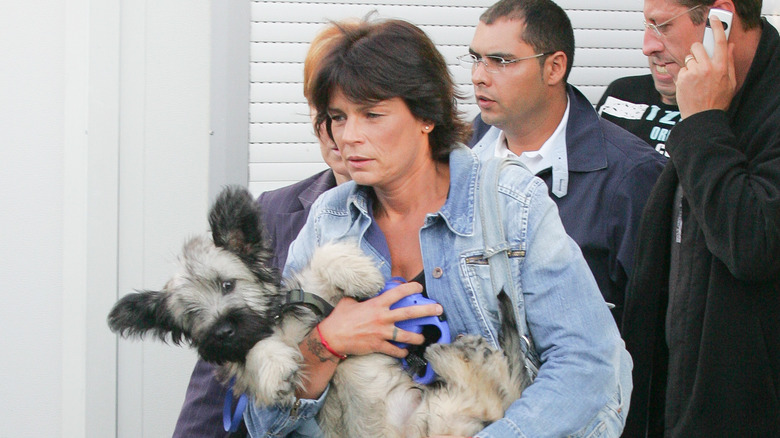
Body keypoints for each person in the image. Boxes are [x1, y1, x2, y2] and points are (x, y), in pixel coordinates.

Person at [244, 17, 632, 438]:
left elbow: (588, 363)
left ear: (426, 115)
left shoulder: (509, 203)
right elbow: (265, 418)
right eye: (338, 117)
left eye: (372, 114)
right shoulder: (328, 220)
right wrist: (327, 342)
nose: (349, 136)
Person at [172, 22, 356, 438]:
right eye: (320, 110)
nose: (333, 131)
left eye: (347, 112)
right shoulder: (273, 211)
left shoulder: (418, 214)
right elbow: (217, 371)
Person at [622, 0, 780, 436]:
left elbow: (753, 244)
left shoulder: (713, 110)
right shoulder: (714, 100)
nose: (647, 46)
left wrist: (704, 120)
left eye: (661, 26)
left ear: (719, 18)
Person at [466, 0, 666, 327]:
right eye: (476, 59)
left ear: (554, 68)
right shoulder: (459, 155)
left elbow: (652, 326)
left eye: (500, 61)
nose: (478, 76)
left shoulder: (631, 176)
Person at [596, 59, 681, 157]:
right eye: (647, 42)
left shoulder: (702, 113)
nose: (649, 49)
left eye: (672, 43)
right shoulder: (622, 93)